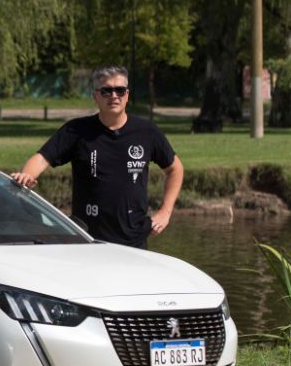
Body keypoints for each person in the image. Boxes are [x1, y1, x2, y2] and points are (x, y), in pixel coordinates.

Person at [10, 65, 183, 248]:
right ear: (96, 96)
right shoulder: (76, 130)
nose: (114, 96)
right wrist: (27, 175)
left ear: (127, 95)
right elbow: (42, 158)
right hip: (88, 238)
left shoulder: (147, 132)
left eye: (119, 90)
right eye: (106, 91)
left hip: (133, 238)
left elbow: (175, 169)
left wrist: (165, 211)